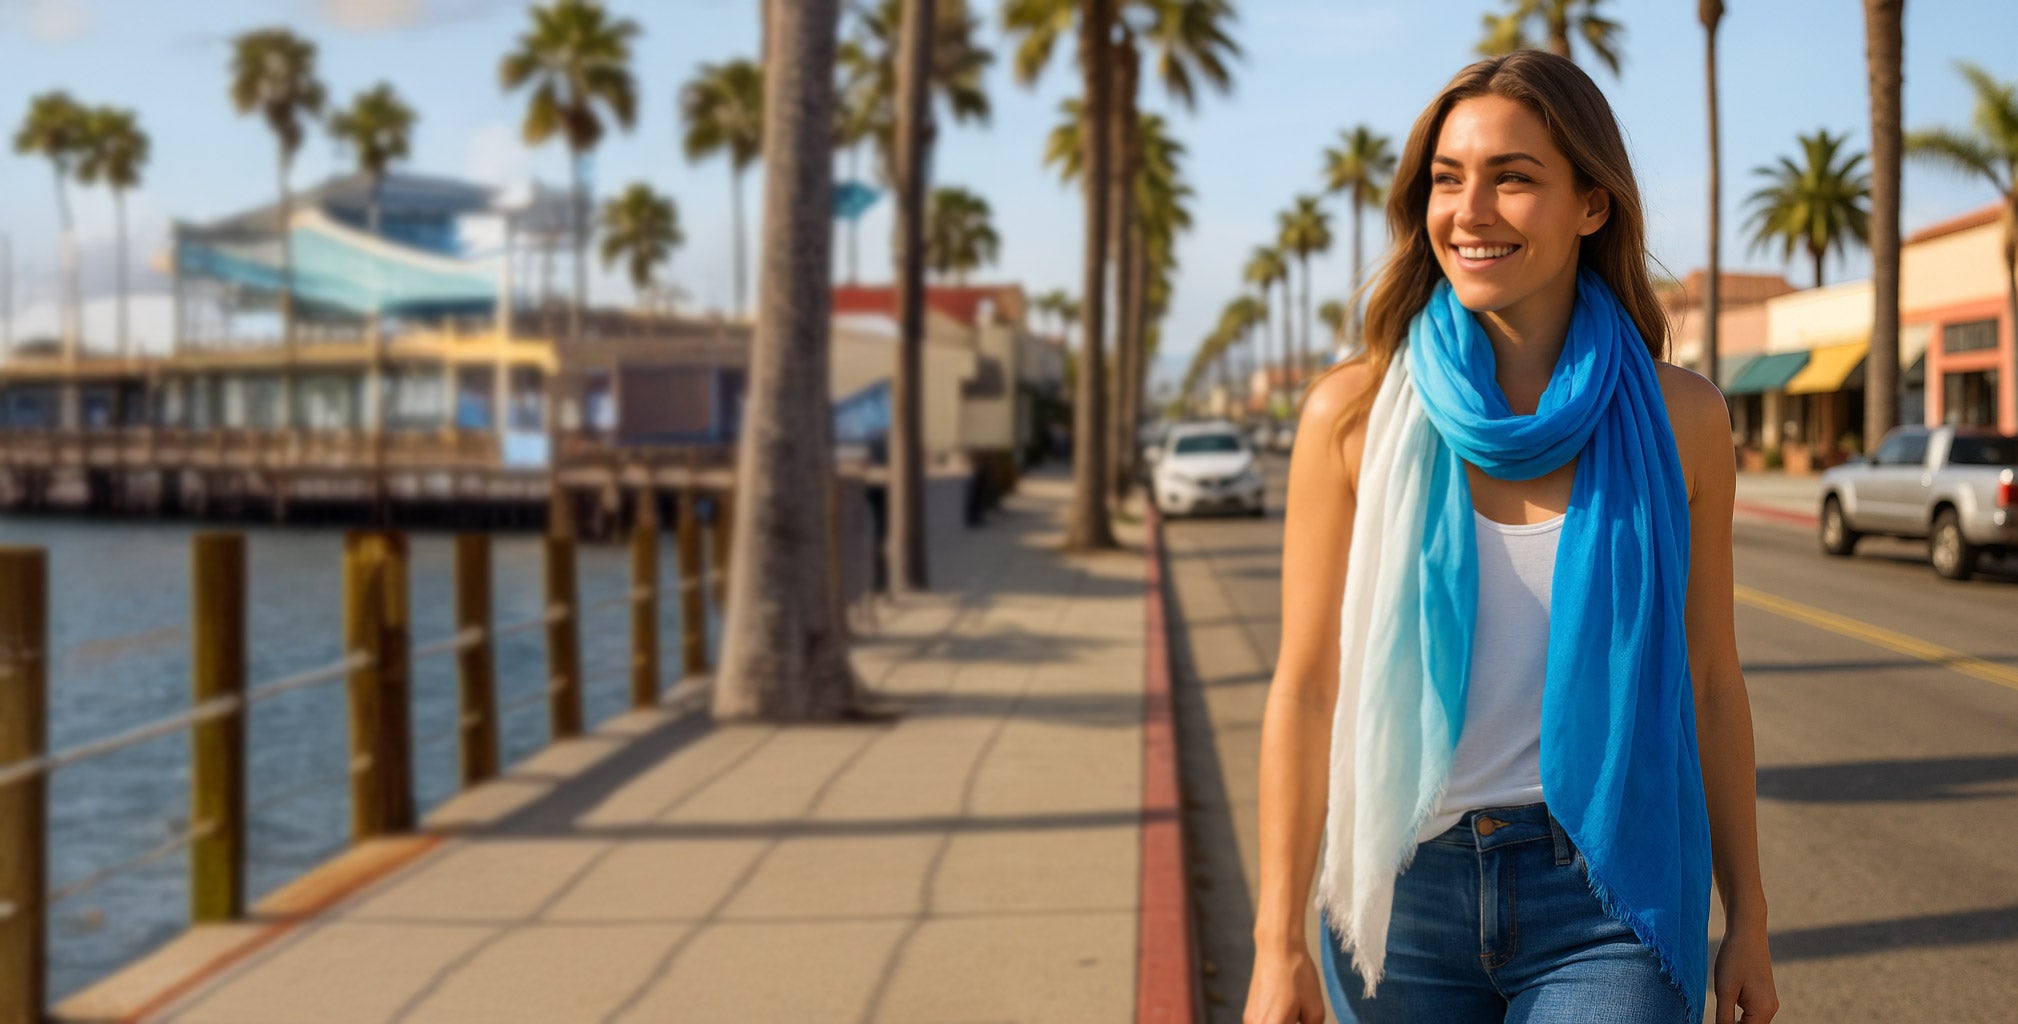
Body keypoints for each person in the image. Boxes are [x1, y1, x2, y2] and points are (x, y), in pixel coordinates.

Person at [1243, 51, 1778, 1024]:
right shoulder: (1351, 417)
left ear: (1590, 204)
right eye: (1446, 179)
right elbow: (1305, 685)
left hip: (1607, 894)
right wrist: (1274, 941)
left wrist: (1746, 914)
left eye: (1512, 177)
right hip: (1400, 893)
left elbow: (1709, 676)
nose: (1469, 209)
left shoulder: (1682, 418)